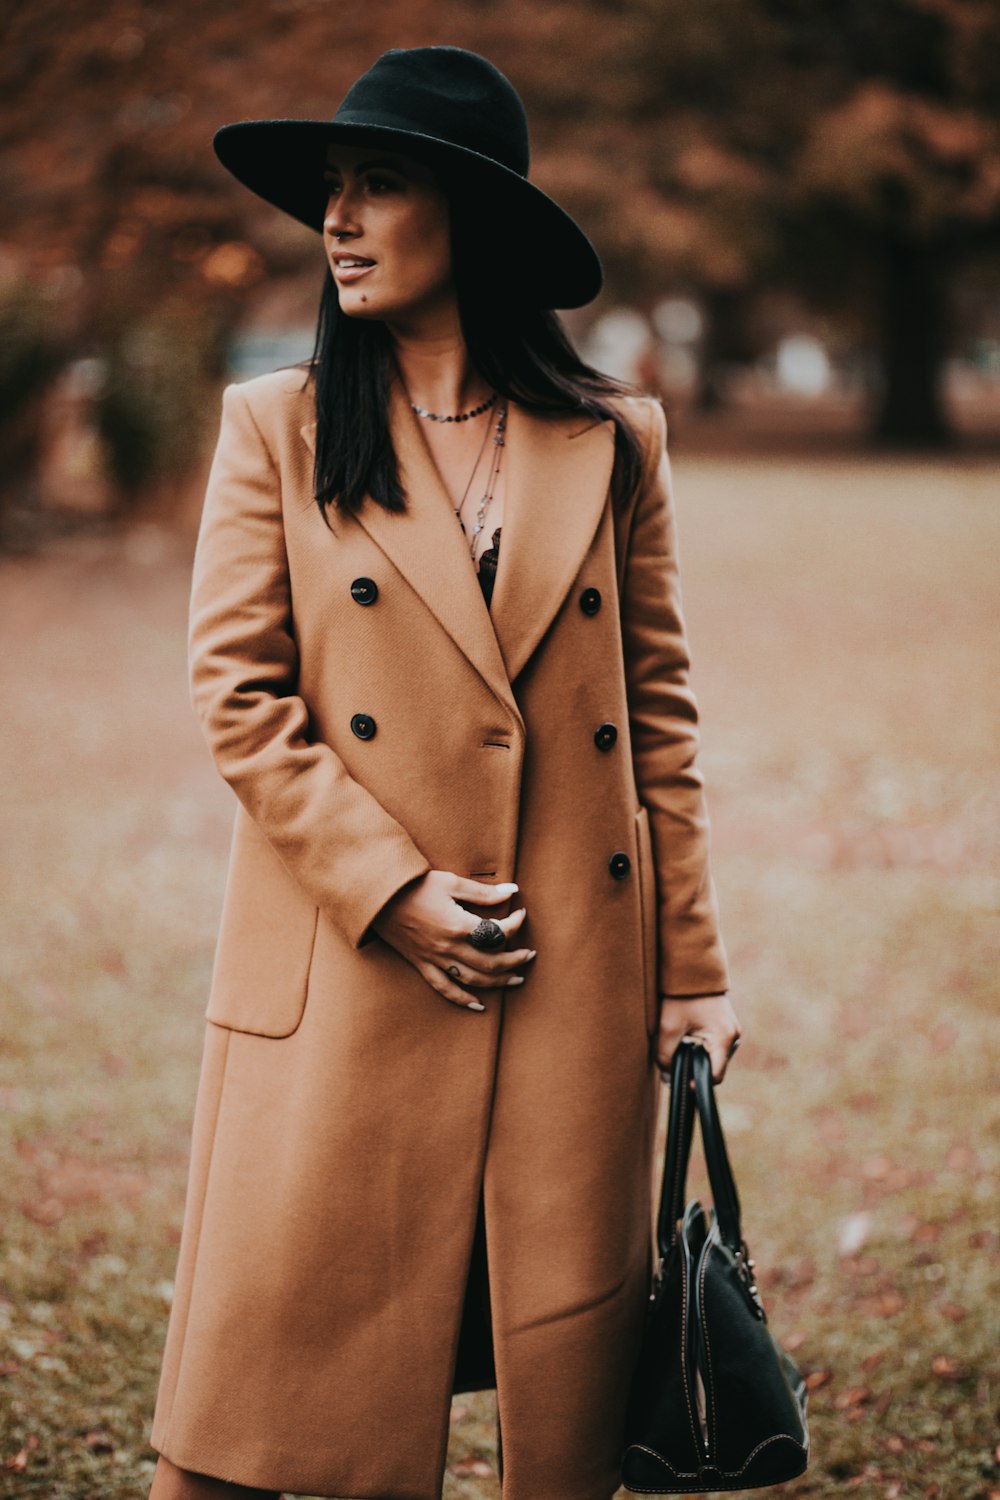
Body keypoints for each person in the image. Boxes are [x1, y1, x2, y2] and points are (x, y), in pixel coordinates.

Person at [147, 44, 741, 1500]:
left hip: (570, 963)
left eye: (380, 187)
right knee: (286, 1391)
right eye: (332, 194)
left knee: (562, 1392)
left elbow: (656, 715)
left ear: (466, 215)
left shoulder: (613, 442)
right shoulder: (278, 429)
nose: (337, 221)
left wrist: (695, 968)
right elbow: (237, 697)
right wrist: (390, 887)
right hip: (351, 955)